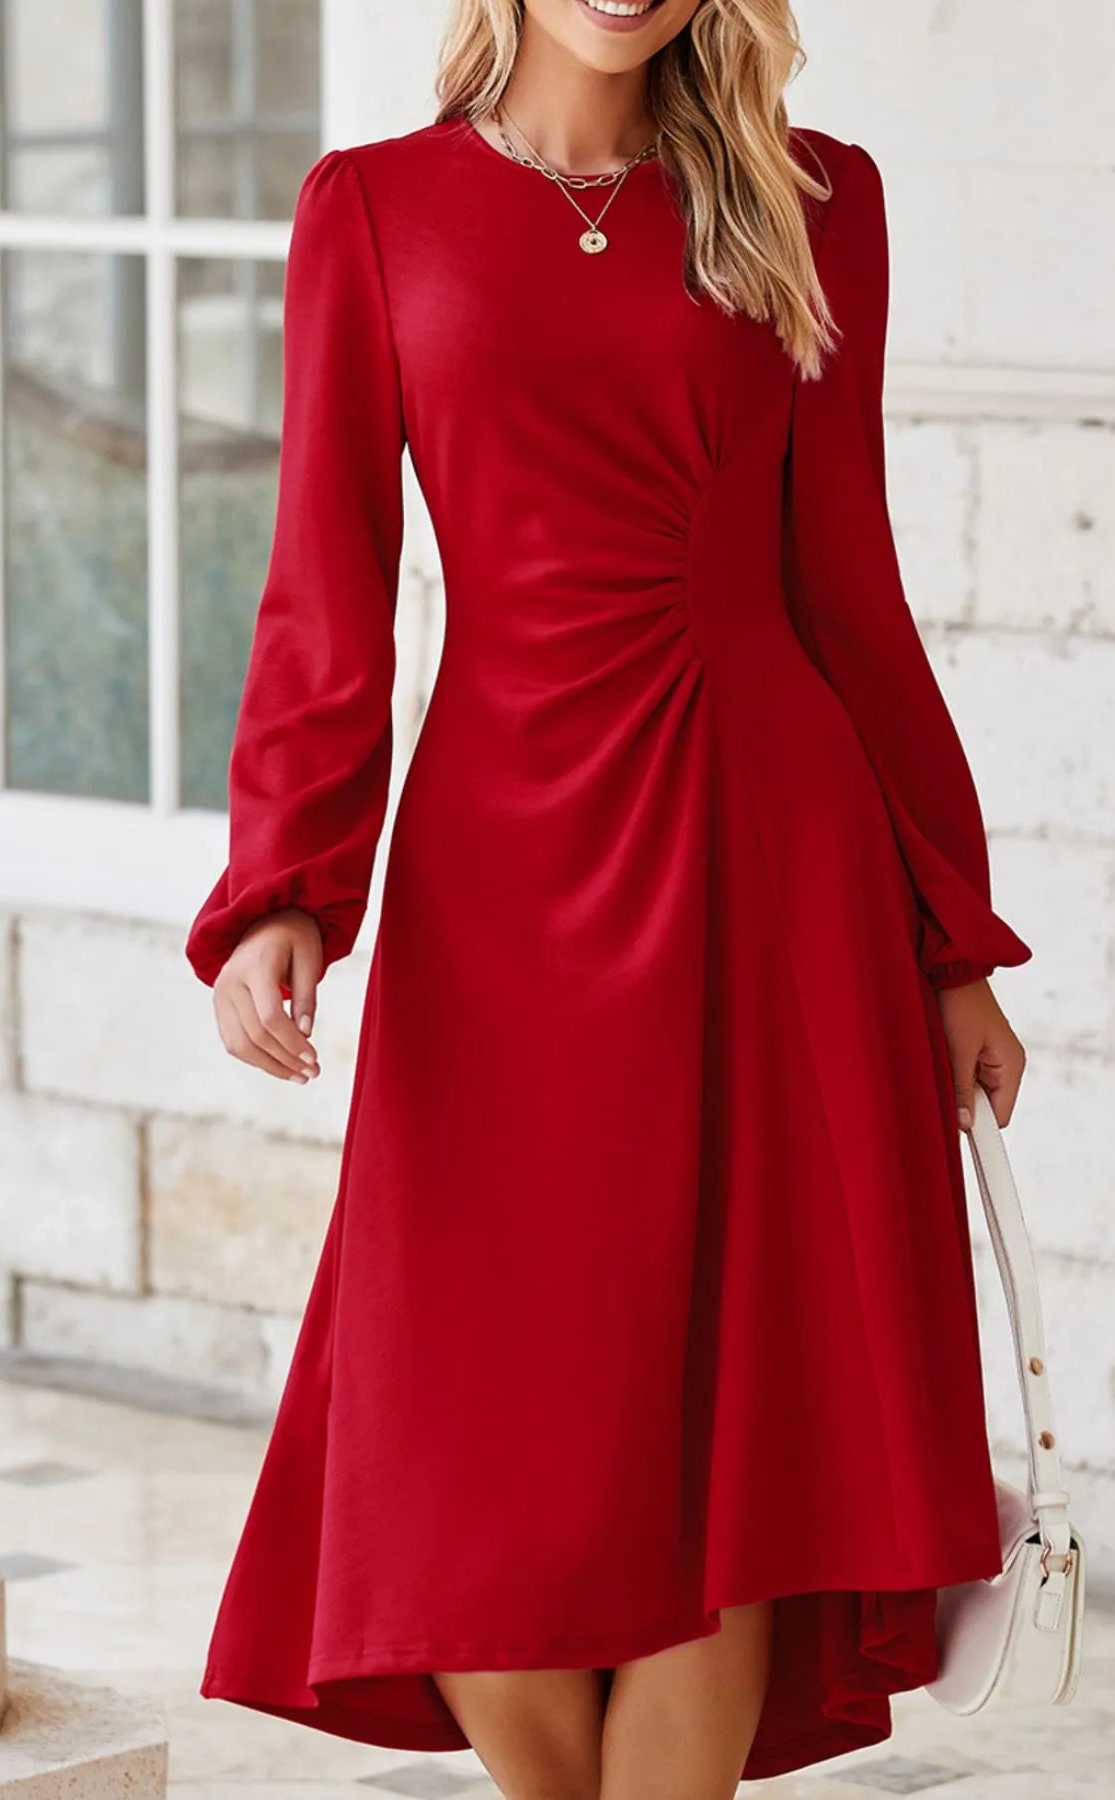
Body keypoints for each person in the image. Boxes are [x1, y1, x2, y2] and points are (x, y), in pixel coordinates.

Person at [184, 2, 1033, 1795]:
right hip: (501, 879)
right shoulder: (372, 210)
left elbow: (850, 592)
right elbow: (325, 586)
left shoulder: (811, 201)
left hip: (770, 867)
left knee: (723, 1426)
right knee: (465, 1423)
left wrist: (948, 936)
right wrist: (287, 893)